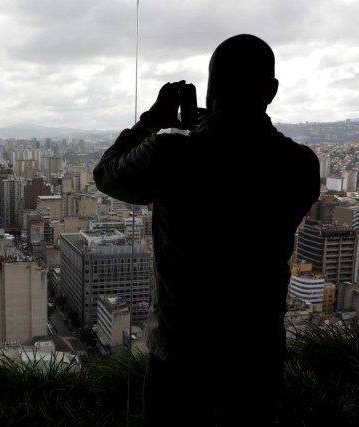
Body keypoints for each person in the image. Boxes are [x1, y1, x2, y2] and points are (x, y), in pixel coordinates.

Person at [93, 34, 321, 426]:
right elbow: (242, 171)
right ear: (272, 91)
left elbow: (106, 174)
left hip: (181, 355)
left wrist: (155, 120)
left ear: (210, 88)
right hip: (256, 355)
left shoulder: (174, 156)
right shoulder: (300, 165)